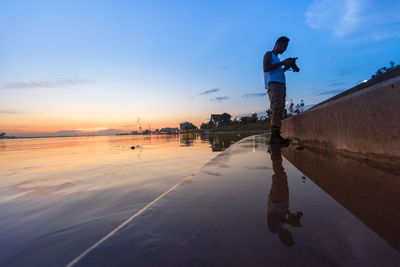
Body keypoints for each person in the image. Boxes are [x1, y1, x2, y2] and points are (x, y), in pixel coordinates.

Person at [263, 36, 296, 144]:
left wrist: (286, 66)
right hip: (274, 85)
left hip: (281, 85)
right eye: (284, 46)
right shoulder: (269, 54)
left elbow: (277, 71)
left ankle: (277, 135)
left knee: (280, 109)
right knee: (277, 108)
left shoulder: (277, 59)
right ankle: (274, 136)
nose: (285, 49)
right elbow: (266, 68)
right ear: (278, 44)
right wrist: (282, 63)